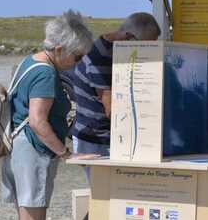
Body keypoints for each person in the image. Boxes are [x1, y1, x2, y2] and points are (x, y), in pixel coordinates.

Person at [1, 10, 95, 220]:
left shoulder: (30, 61)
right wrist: (65, 153)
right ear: (60, 49)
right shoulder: (46, 73)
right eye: (77, 56)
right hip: (32, 153)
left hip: (18, 149)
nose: (78, 62)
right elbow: (37, 121)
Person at [69, 12, 161, 179]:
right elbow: (111, 109)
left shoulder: (109, 48)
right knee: (106, 195)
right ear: (129, 37)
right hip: (96, 140)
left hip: (103, 137)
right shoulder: (102, 59)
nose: (147, 52)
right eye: (145, 46)